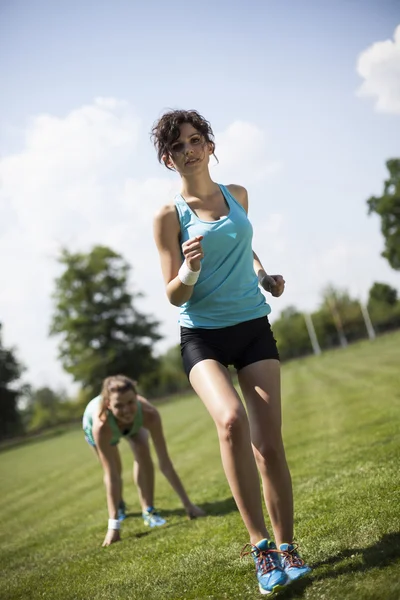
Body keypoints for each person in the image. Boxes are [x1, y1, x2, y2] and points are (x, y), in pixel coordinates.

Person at [151, 110, 311, 595]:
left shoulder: (237, 195)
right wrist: (191, 270)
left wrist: (263, 275)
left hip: (252, 325)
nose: (190, 150)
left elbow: (246, 247)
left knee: (269, 444)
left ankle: (287, 547)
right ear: (168, 158)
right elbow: (173, 293)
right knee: (231, 422)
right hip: (202, 335)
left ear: (210, 145)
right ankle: (261, 548)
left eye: (196, 140)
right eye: (179, 147)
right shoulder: (167, 216)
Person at [82, 374, 205, 547]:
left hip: (132, 426)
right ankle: (119, 506)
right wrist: (114, 526)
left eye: (131, 402)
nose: (126, 410)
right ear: (109, 404)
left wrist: (188, 504)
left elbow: (165, 462)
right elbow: (111, 477)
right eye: (119, 405)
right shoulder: (101, 426)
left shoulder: (149, 414)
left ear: (137, 399)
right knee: (114, 470)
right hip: (98, 428)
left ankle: (148, 510)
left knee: (142, 449)